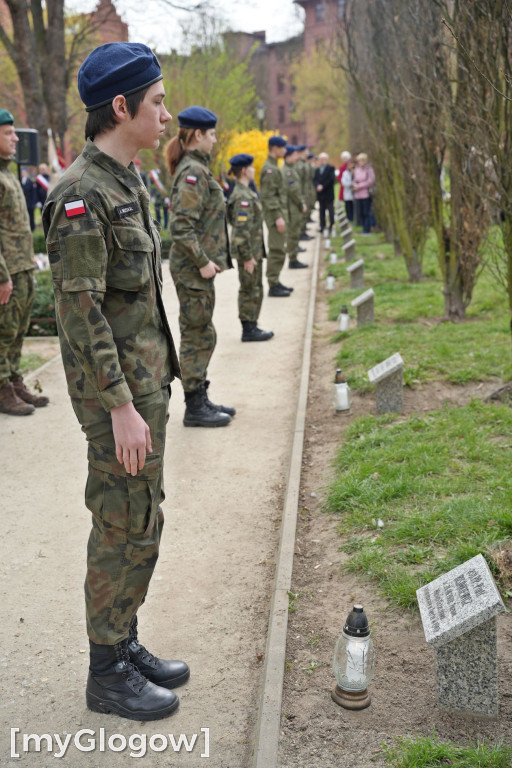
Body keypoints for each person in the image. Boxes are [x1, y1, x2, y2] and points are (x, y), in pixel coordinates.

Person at [43, 41, 188, 721]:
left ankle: (124, 640)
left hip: (145, 388)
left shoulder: (128, 180)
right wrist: (123, 407)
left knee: (145, 519)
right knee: (121, 523)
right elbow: (80, 313)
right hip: (117, 401)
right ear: (122, 106)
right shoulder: (79, 194)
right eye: (157, 103)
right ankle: (106, 674)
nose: (166, 116)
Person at [165, 105, 235, 428]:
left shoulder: (197, 168)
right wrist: (204, 261)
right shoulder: (192, 173)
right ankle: (194, 406)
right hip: (193, 269)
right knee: (197, 334)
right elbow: (180, 227)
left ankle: (200, 395)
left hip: (196, 270)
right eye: (211, 134)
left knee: (202, 331)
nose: (216, 140)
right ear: (197, 135)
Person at [0, 110, 49, 415]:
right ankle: (3, 389)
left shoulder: (7, 174)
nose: (16, 138)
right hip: (7, 272)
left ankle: (15, 382)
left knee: (18, 331)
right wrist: (2, 276)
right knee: (4, 333)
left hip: (21, 267)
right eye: (8, 133)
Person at [226, 153, 274, 343]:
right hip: (248, 253)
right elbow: (240, 230)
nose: (255, 170)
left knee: (255, 287)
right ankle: (248, 329)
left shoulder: (246, 192)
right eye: (252, 167)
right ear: (245, 171)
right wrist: (247, 256)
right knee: (249, 289)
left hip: (253, 251)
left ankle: (252, 324)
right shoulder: (242, 197)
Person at [260, 135, 294, 296]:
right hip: (275, 216)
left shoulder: (274, 166)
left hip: (280, 214)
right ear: (275, 148)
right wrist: (277, 217)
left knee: (280, 249)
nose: (285, 151)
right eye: (283, 148)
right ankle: (273, 284)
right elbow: (267, 196)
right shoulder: (269, 169)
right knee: (276, 250)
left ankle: (276, 281)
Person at [284, 145, 308, 269]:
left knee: (295, 231)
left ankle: (294, 257)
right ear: (288, 156)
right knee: (293, 233)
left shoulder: (291, 169)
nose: (296, 156)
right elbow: (292, 190)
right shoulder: (287, 171)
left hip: (294, 206)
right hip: (291, 207)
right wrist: (300, 203)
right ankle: (292, 260)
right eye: (294, 154)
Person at [313, 151, 336, 235]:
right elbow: (314, 180)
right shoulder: (317, 169)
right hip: (320, 194)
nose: (322, 161)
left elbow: (331, 179)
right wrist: (317, 186)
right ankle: (322, 226)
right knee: (321, 211)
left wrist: (323, 186)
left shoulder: (331, 168)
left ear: (327, 159)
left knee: (330, 210)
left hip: (328, 193)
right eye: (321, 159)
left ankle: (331, 225)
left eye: (324, 159)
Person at [353, 152, 376, 234]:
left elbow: (370, 181)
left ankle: (367, 229)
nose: (361, 162)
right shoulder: (357, 169)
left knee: (366, 212)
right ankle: (363, 228)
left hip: (365, 193)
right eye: (359, 161)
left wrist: (359, 186)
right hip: (357, 194)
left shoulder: (369, 169)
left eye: (362, 160)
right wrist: (354, 185)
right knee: (360, 212)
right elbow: (355, 179)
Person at [341, 157, 355, 222]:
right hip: (348, 192)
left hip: (355, 193)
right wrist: (350, 184)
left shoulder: (356, 172)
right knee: (348, 207)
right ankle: (349, 218)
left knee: (354, 207)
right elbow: (343, 182)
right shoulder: (345, 173)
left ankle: (354, 219)